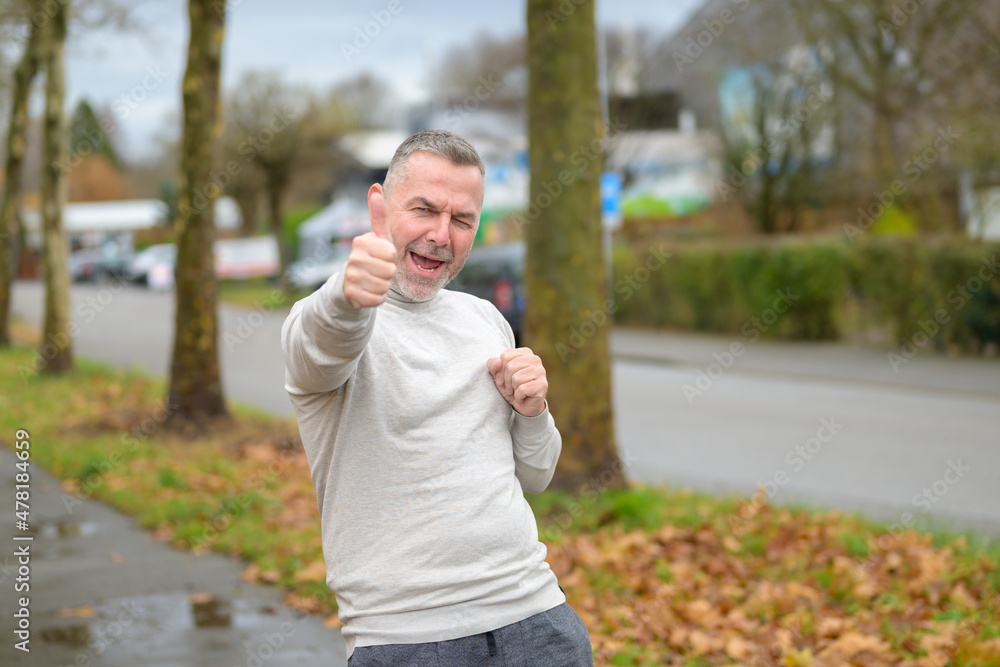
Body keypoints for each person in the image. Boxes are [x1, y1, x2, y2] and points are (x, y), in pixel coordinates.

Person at [281, 130, 594, 666]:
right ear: (380, 207)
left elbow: (536, 477)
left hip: (539, 621)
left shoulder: (486, 320)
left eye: (462, 220)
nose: (441, 235)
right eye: (424, 210)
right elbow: (325, 343)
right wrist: (347, 296)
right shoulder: (331, 319)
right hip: (408, 640)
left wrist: (533, 413)